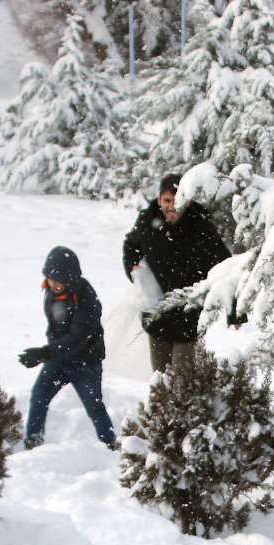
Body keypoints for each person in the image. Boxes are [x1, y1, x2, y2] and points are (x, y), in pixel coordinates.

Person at [121, 173, 233, 376]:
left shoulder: (201, 227)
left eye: (177, 200)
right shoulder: (148, 222)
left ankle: (185, 405)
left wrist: (235, 313)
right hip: (156, 315)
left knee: (183, 381)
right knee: (160, 380)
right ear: (159, 200)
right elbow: (131, 246)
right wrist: (133, 267)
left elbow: (226, 266)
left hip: (187, 317)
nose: (172, 206)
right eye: (167, 200)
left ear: (187, 201)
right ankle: (161, 407)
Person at [18, 246, 117, 450]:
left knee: (94, 407)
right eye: (50, 278)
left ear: (70, 278)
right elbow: (55, 327)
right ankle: (33, 441)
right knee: (39, 395)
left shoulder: (87, 298)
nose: (53, 283)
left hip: (85, 362)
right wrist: (48, 352)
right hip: (59, 359)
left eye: (59, 279)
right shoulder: (50, 291)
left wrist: (45, 352)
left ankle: (111, 445)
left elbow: (78, 338)